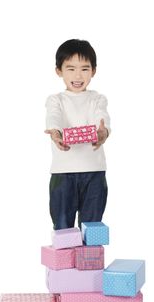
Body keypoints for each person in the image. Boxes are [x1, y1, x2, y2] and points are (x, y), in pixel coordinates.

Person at [45, 39, 111, 230]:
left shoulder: (97, 98)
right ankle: (66, 261)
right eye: (70, 68)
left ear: (93, 71)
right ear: (59, 71)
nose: (78, 75)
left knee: (92, 227)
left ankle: (89, 260)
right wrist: (56, 133)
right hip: (62, 173)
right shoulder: (56, 100)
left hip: (94, 171)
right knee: (63, 227)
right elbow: (54, 117)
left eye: (84, 68)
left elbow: (102, 117)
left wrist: (103, 132)